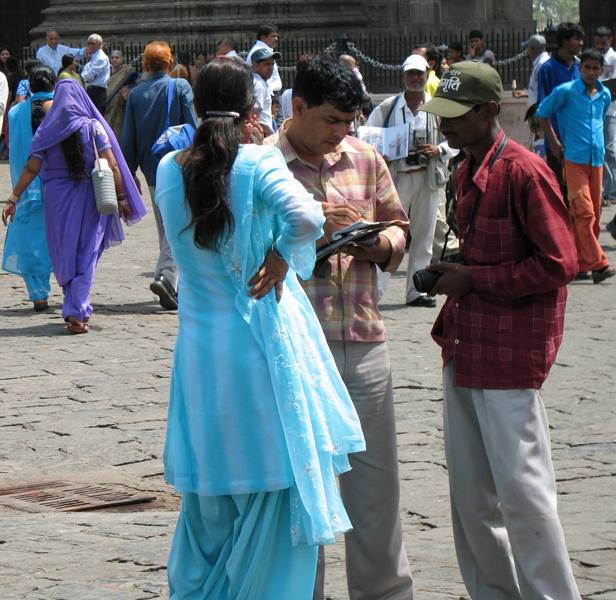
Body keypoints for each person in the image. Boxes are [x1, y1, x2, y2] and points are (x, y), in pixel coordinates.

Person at [155, 57, 365, 599]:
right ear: (255, 111)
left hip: (201, 355)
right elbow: (310, 218)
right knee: (273, 492)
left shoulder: (166, 168)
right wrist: (280, 255)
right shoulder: (256, 162)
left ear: (195, 108)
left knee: (209, 503)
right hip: (261, 350)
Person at [421, 60, 582, 600]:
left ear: (490, 112)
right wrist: (462, 273)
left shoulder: (523, 172)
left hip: (510, 354)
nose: (444, 126)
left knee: (524, 495)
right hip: (465, 345)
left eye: (456, 116)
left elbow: (561, 263)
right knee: (470, 498)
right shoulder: (468, 167)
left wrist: (475, 278)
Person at [266, 54, 413, 600]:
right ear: (297, 107)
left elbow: (400, 230)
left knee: (376, 489)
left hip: (364, 340)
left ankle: (385, 592)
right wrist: (306, 228)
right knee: (301, 490)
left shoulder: (366, 158)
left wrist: (374, 242)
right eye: (330, 119)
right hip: (295, 347)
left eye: (349, 121)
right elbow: (242, 254)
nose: (341, 132)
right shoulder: (264, 167)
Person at [2, 79, 147, 334]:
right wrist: (123, 198)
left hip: (57, 198)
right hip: (90, 195)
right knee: (88, 249)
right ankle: (77, 312)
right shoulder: (93, 128)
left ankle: (74, 305)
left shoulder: (46, 131)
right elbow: (112, 166)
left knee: (64, 249)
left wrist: (13, 198)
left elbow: (31, 168)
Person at [367, 54, 458, 307]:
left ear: (427, 74)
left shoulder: (438, 109)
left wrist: (438, 150)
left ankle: (417, 290)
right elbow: (368, 136)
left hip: (428, 178)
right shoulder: (387, 108)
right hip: (397, 179)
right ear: (403, 76)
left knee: (424, 235)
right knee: (389, 234)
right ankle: (375, 292)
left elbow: (456, 142)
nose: (416, 78)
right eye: (411, 74)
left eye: (420, 73)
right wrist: (380, 154)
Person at [121, 41, 197, 310]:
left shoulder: (136, 95)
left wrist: (128, 179)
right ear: (170, 62)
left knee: (166, 225)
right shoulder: (180, 87)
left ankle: (173, 281)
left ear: (144, 64)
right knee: (179, 224)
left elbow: (128, 139)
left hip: (152, 170)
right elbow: (193, 126)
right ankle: (166, 276)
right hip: (181, 166)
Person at [538, 49, 614, 284]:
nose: (591, 72)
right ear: (581, 69)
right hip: (573, 159)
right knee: (583, 211)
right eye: (587, 67)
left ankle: (582, 262)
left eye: (595, 68)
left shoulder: (604, 95)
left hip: (596, 159)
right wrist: (553, 142)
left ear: (602, 70)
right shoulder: (566, 91)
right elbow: (542, 112)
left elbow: (599, 122)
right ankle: (599, 263)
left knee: (594, 214)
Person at [2, 66, 55, 311]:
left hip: (24, 186)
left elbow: (12, 148)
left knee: (30, 239)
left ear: (30, 87)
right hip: (56, 184)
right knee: (57, 237)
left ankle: (37, 293)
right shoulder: (59, 109)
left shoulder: (14, 114)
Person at [537, 22, 584, 190]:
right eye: (576, 39)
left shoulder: (581, 68)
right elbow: (542, 110)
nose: (581, 43)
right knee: (560, 191)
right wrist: (554, 141)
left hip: (579, 142)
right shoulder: (547, 69)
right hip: (558, 144)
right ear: (564, 41)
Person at [594, 26, 616, 205]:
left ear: (611, 40)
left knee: (609, 149)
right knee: (598, 148)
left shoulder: (614, 58)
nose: (601, 46)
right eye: (598, 43)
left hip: (610, 109)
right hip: (594, 109)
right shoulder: (593, 57)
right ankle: (604, 190)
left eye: (604, 43)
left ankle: (612, 191)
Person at [105, 50, 137, 141]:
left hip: (121, 107)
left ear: (122, 59)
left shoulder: (128, 71)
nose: (114, 59)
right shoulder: (106, 71)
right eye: (112, 57)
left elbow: (137, 85)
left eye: (117, 57)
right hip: (107, 107)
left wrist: (126, 90)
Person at [251, 46, 281, 137]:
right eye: (267, 64)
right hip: (263, 134)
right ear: (255, 66)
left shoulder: (259, 81)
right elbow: (255, 112)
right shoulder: (259, 84)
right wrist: (269, 134)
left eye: (272, 64)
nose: (271, 67)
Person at [246, 23, 282, 93]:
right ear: (263, 38)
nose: (276, 39)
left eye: (277, 37)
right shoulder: (259, 52)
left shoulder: (265, 50)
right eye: (273, 36)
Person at [81, 34, 110, 113]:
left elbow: (90, 75)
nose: (90, 46)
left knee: (97, 117)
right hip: (92, 90)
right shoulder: (95, 56)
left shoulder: (101, 58)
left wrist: (81, 78)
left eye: (93, 44)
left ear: (100, 45)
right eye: (89, 43)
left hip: (97, 92)